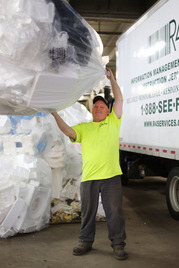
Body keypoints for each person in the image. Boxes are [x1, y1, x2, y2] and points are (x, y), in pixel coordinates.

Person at [51, 68, 127, 260]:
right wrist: (54, 114)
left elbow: (120, 99)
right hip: (90, 178)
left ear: (108, 111)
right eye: (95, 106)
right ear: (92, 110)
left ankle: (118, 245)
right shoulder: (85, 128)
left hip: (111, 177)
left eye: (102, 106)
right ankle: (85, 241)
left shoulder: (113, 123)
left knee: (115, 213)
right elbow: (67, 130)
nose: (98, 108)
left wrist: (112, 79)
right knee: (87, 213)